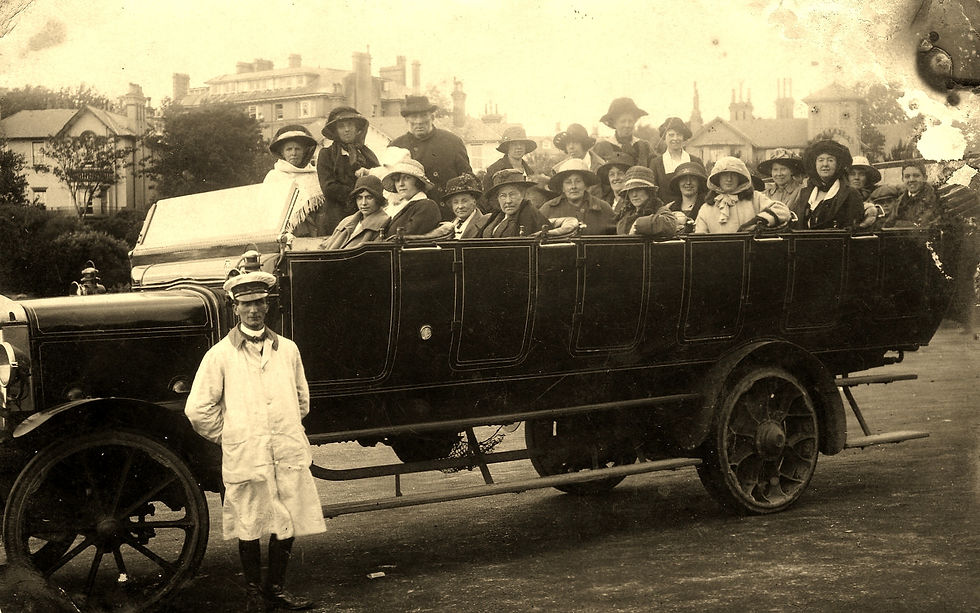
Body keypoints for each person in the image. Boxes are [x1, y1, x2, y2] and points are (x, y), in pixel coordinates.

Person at [185, 268, 325, 612]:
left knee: (286, 517)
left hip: (285, 450)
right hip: (246, 453)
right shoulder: (220, 355)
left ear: (268, 305)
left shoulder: (288, 350)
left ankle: (275, 589)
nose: (253, 310)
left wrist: (280, 427)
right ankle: (253, 594)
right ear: (235, 308)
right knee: (249, 521)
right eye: (246, 304)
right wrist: (233, 434)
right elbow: (198, 409)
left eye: (259, 303)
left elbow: (302, 400)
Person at [390, 95, 473, 202]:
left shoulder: (452, 141)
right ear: (406, 120)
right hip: (413, 208)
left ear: (432, 117)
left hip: (448, 206)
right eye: (414, 117)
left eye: (423, 115)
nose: (419, 121)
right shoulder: (396, 146)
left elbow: (467, 178)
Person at [316, 106, 380, 235]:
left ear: (357, 128)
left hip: (368, 215)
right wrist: (357, 193)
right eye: (341, 126)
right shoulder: (327, 154)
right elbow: (329, 188)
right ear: (335, 131)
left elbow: (378, 180)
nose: (347, 129)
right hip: (338, 217)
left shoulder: (367, 154)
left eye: (350, 125)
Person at [694, 156, 789, 233]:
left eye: (734, 174)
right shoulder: (706, 209)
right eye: (724, 175)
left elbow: (783, 211)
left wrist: (758, 221)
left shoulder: (755, 198)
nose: (729, 179)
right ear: (717, 178)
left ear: (740, 177)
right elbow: (699, 240)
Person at [263, 125, 328, 237]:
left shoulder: (314, 175)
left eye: (297, 149)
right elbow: (266, 208)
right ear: (282, 153)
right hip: (284, 232)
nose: (293, 153)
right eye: (289, 149)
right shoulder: (274, 176)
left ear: (304, 152)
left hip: (315, 230)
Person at [795, 139, 866, 230]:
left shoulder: (850, 194)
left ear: (838, 165)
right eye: (820, 160)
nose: (825, 164)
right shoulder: (805, 194)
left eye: (830, 160)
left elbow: (853, 229)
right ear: (814, 164)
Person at [540, 158, 617, 235]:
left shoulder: (603, 208)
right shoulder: (548, 209)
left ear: (586, 185)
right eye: (568, 182)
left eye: (578, 181)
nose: (573, 186)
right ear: (562, 188)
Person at [320, 175, 389, 249]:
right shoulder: (346, 221)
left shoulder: (383, 223)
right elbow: (323, 247)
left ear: (378, 200)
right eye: (359, 198)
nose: (363, 203)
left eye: (369, 197)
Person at [381, 158, 443, 238]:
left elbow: (407, 239)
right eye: (397, 180)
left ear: (418, 182)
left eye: (407, 178)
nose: (401, 184)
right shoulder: (399, 208)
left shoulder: (427, 206)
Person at [482, 169, 552, 238]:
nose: (508, 201)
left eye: (512, 194)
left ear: (523, 194)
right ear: (497, 198)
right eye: (503, 196)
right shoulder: (497, 216)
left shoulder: (530, 217)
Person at [651, 117, 704, 205]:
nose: (675, 138)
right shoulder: (656, 164)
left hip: (693, 210)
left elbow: (703, 190)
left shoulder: (695, 161)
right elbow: (653, 194)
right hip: (665, 211)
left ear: (683, 137)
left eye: (679, 134)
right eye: (671, 135)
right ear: (664, 137)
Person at [592, 97, 654, 168]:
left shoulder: (644, 146)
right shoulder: (602, 147)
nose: (627, 125)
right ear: (614, 123)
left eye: (630, 121)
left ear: (634, 122)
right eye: (623, 121)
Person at [882, 161, 938, 227]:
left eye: (916, 176)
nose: (911, 180)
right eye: (907, 176)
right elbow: (888, 225)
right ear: (902, 179)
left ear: (925, 178)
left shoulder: (933, 199)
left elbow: (925, 225)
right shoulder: (899, 201)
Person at [483, 126, 536, 196]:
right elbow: (486, 197)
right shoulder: (494, 169)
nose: (519, 147)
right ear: (507, 147)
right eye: (514, 144)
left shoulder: (530, 172)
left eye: (521, 144)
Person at [616, 165, 663, 235]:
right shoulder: (625, 215)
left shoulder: (659, 210)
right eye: (630, 190)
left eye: (639, 189)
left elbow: (669, 223)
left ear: (649, 191)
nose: (634, 195)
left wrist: (637, 224)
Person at [660, 160, 709, 224]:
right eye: (683, 179)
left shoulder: (708, 207)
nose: (688, 182)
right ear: (678, 183)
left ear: (699, 183)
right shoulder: (669, 208)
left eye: (693, 178)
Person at [443, 173, 490, 239]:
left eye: (464, 201)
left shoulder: (485, 224)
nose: (460, 206)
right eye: (455, 202)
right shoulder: (449, 227)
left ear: (474, 201)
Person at [757, 148, 804, 212]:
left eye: (783, 169)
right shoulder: (765, 194)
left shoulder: (802, 192)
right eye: (775, 170)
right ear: (771, 172)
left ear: (792, 171)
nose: (779, 174)